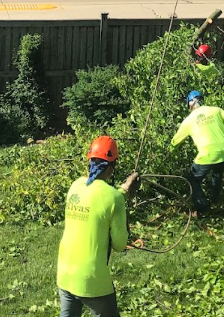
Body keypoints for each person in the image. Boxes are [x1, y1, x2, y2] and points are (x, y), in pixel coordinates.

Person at [57, 135, 140, 317]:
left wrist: (124, 190)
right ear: (111, 168)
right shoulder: (114, 198)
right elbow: (119, 245)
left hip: (65, 273)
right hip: (92, 279)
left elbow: (97, 198)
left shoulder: (76, 185)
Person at [170, 90, 224, 217]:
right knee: (217, 174)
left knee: (193, 179)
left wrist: (169, 152)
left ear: (190, 103)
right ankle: (214, 201)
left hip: (208, 153)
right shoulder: (216, 110)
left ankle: (202, 209)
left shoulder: (189, 120)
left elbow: (176, 141)